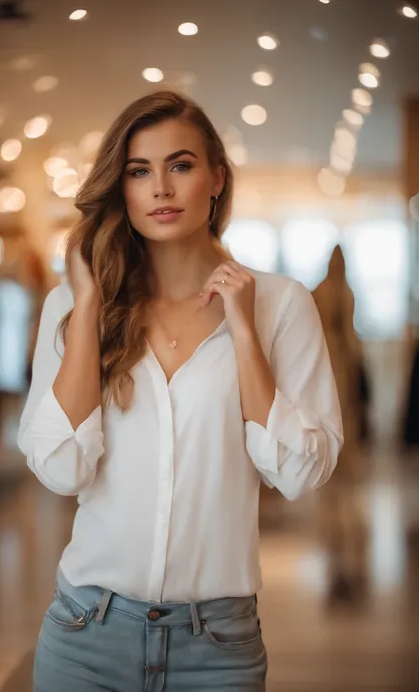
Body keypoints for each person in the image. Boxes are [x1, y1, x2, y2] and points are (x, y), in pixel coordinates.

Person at [18, 90, 343, 692]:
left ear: (217, 178)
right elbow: (61, 468)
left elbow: (300, 473)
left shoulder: (280, 304)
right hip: (85, 635)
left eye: (181, 165)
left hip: (217, 648)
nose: (161, 188)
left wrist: (243, 333)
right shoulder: (73, 306)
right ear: (122, 188)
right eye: (140, 171)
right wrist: (89, 303)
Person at [312, 245, 367, 602]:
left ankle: (345, 554)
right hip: (335, 387)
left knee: (340, 487)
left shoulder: (336, 293)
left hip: (339, 388)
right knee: (336, 487)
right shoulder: (332, 294)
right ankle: (340, 554)